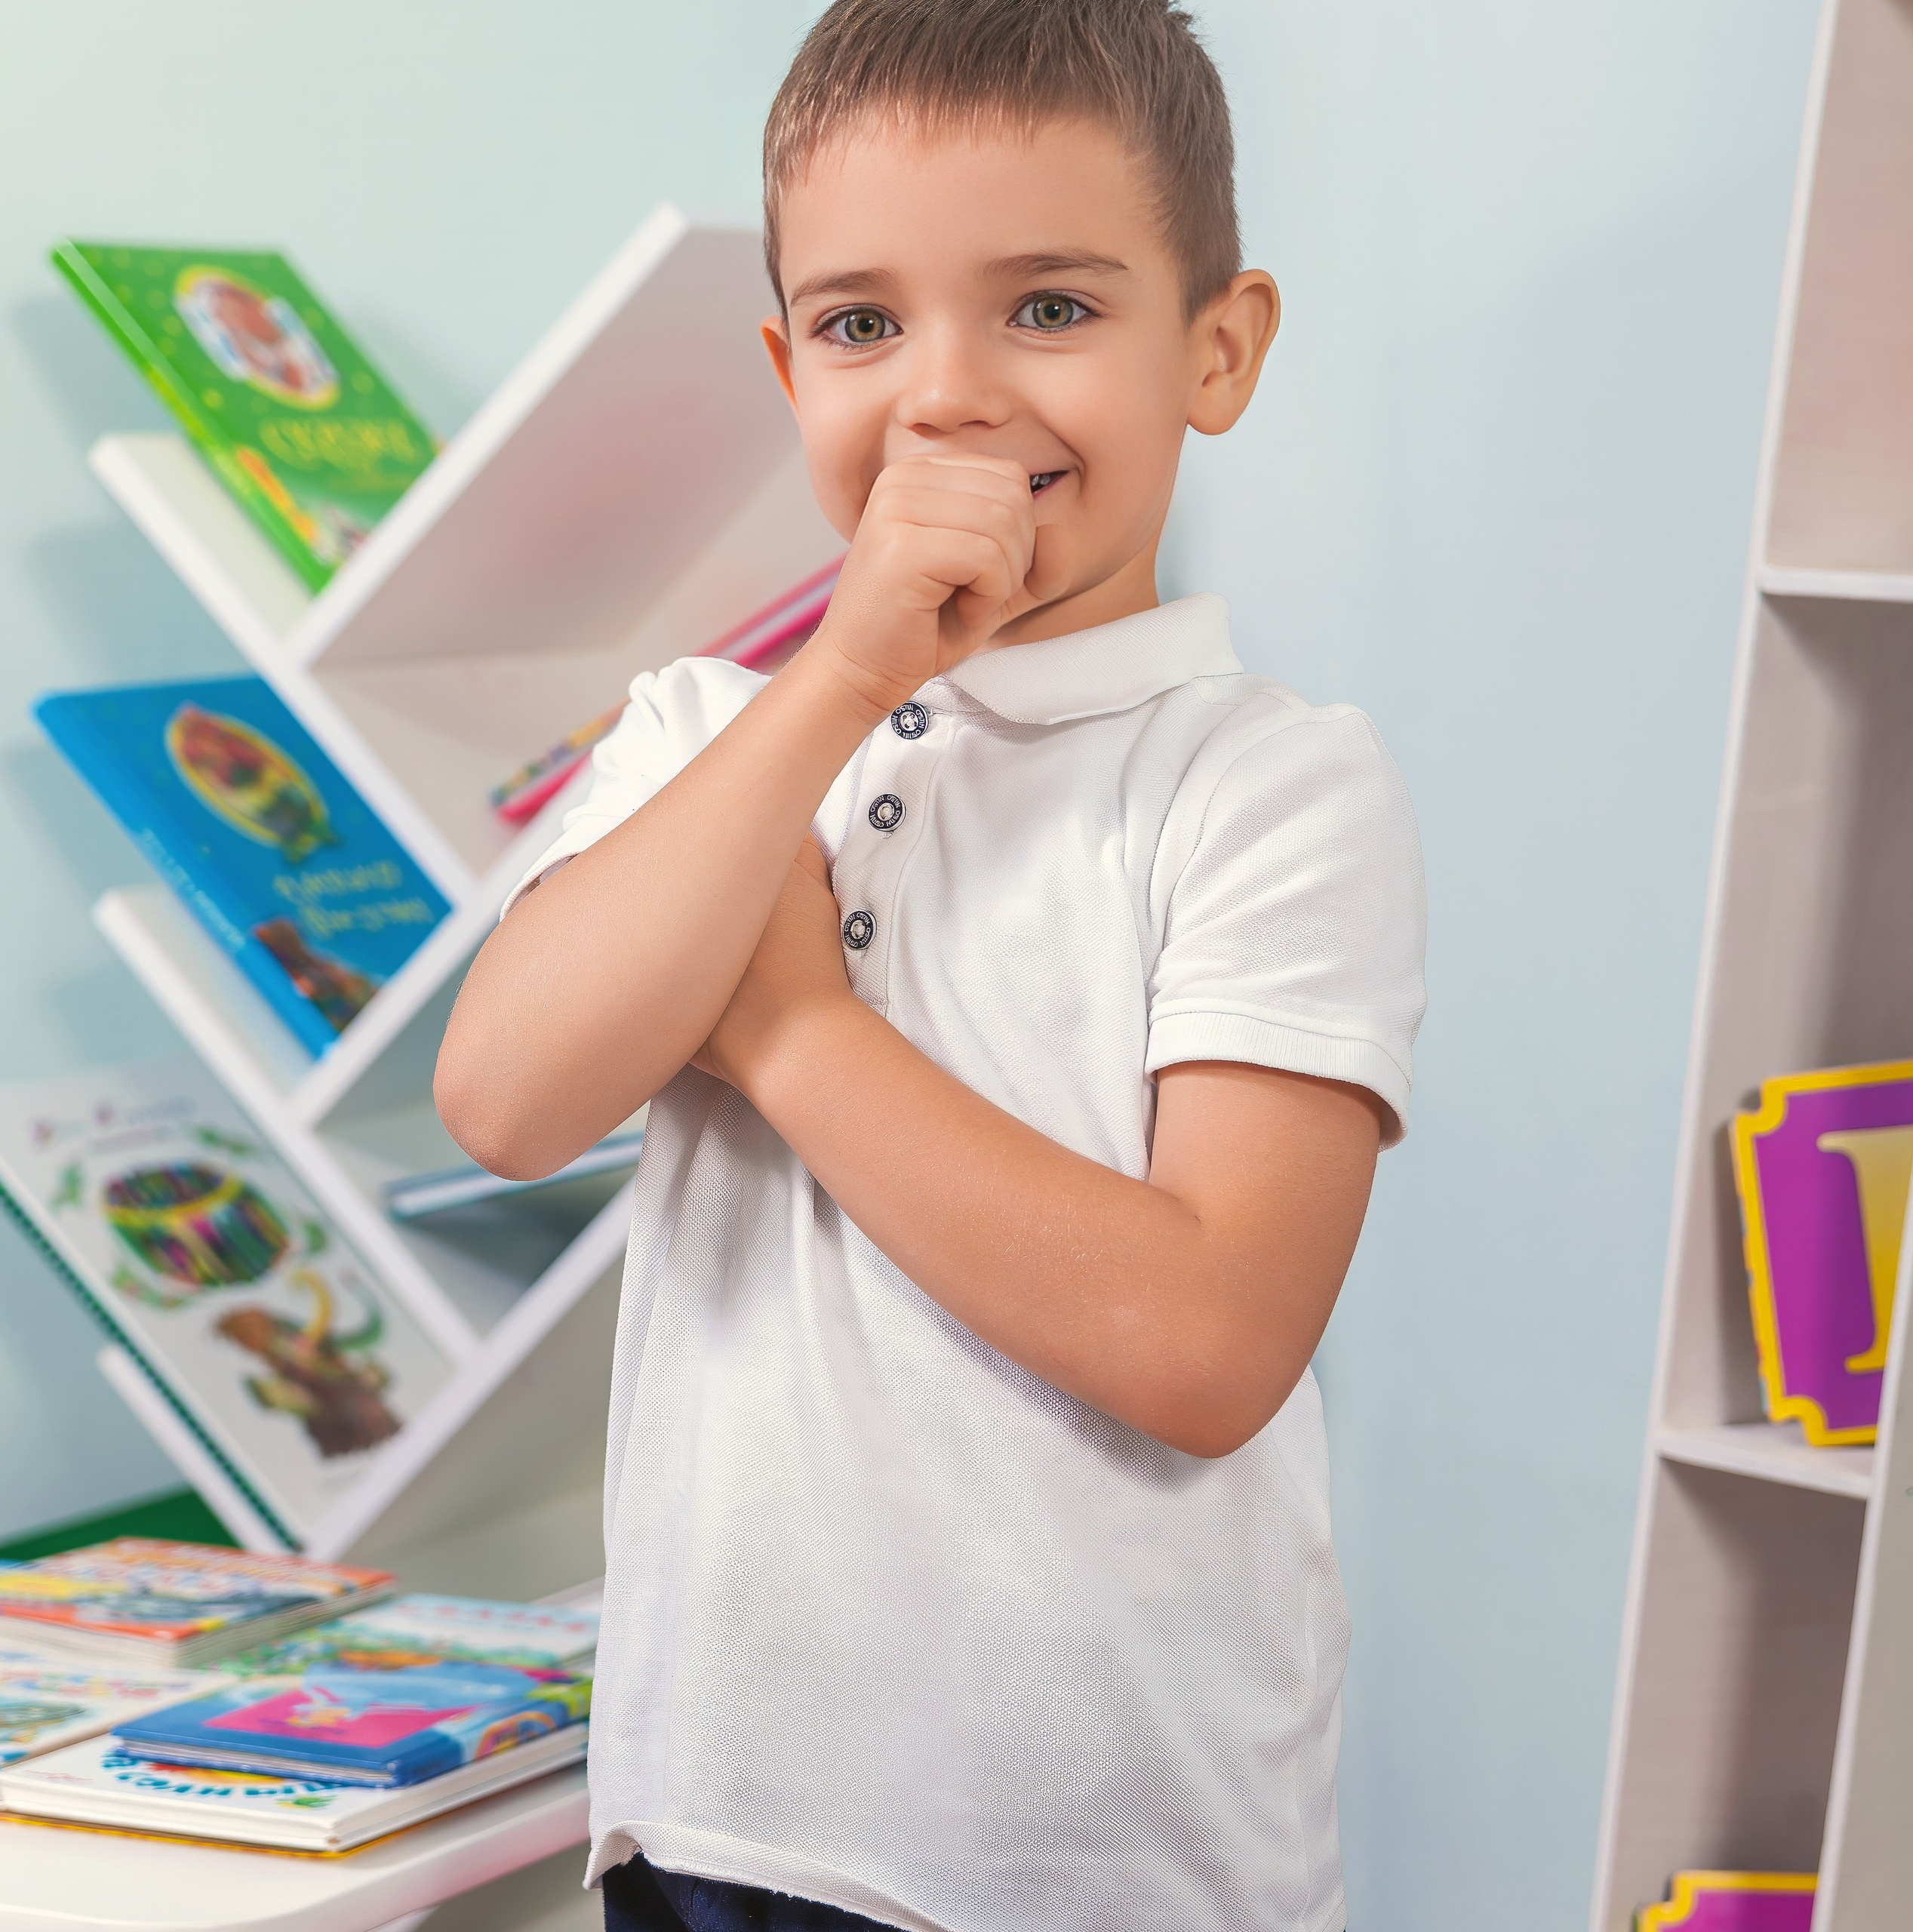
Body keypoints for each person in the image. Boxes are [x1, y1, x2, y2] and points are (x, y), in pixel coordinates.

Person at [434, 2, 1426, 1927]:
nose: (949, 394)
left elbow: (1205, 1340)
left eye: (1048, 308)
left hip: (1092, 1867)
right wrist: (845, 676)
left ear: (1213, 350)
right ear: (785, 360)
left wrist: (791, 1029)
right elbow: (505, 1096)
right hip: (709, 1809)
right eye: (864, 323)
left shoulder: (1265, 783)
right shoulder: (703, 741)